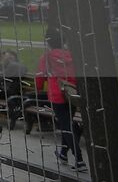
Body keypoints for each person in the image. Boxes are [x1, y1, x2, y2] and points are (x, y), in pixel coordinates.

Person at [36, 29, 84, 170]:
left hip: (57, 95)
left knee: (66, 125)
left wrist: (39, 88)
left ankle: (79, 158)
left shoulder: (47, 57)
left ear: (48, 42)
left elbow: (40, 76)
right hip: (71, 93)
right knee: (67, 123)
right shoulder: (71, 56)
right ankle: (63, 153)